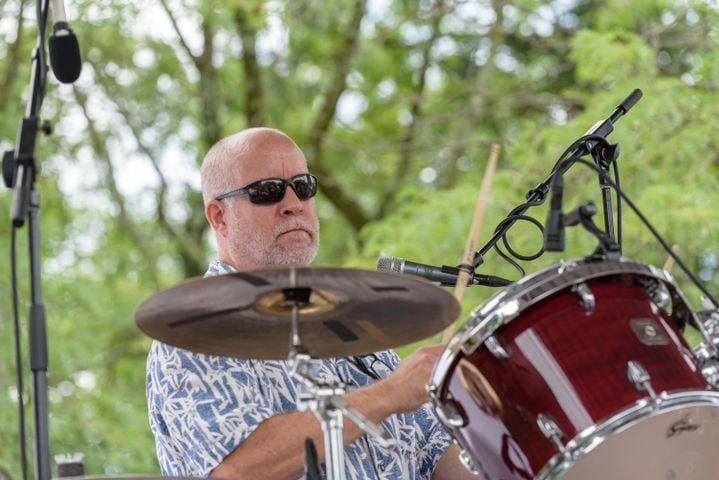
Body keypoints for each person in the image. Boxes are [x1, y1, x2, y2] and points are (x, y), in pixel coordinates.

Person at [145, 127, 480, 479]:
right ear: (219, 217)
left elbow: (434, 455)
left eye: (303, 187)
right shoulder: (191, 330)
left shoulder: (356, 328)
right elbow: (236, 470)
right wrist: (389, 393)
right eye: (267, 192)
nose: (293, 205)